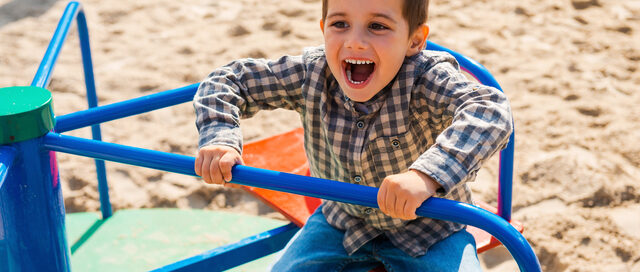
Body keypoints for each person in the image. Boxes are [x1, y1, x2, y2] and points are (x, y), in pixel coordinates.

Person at [193, 0, 512, 270]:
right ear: (323, 29)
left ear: (414, 41)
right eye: (340, 24)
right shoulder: (312, 73)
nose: (355, 42)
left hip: (432, 227)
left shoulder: (425, 79)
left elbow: (490, 109)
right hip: (341, 220)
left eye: (378, 26)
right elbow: (227, 80)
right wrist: (220, 136)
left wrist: (426, 176)